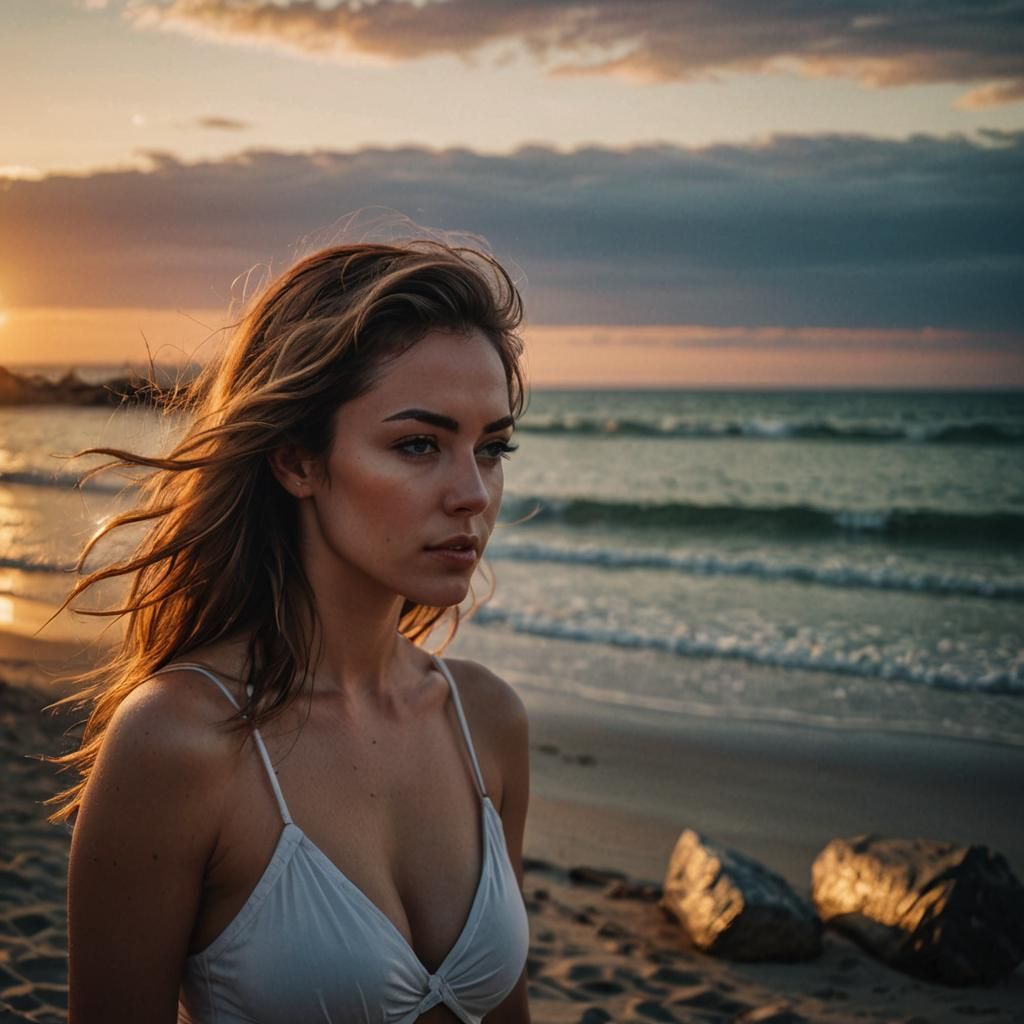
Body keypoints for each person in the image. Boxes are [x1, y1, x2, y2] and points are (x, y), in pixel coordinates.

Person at [51, 240, 532, 1023]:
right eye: (419, 444)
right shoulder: (177, 744)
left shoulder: (485, 721)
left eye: (492, 448)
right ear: (296, 460)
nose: (473, 493)